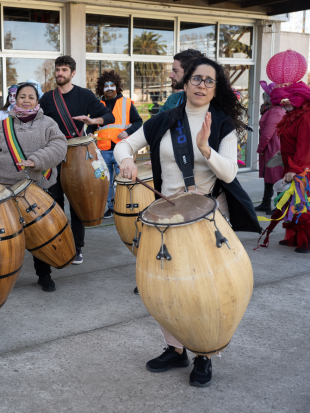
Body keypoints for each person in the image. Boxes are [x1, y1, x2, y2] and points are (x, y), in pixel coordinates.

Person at [115, 56, 260, 387]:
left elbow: (229, 172)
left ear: (216, 88)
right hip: (165, 217)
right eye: (197, 79)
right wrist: (126, 160)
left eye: (209, 81)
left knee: (203, 288)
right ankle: (175, 348)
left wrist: (205, 149)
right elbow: (125, 143)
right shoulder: (164, 119)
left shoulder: (222, 122)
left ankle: (203, 354)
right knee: (166, 286)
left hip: (206, 215)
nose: (202, 85)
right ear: (185, 82)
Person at [0, 83, 67, 292]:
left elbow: (59, 145)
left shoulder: (48, 123)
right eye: (22, 96)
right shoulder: (3, 125)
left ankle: (44, 274)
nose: (26, 100)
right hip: (6, 189)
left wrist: (36, 160)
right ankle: (4, 274)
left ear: (37, 101)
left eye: (31, 97)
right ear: (15, 99)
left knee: (40, 233)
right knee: (6, 236)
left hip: (40, 186)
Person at [38, 55, 115, 264]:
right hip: (54, 156)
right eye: (57, 69)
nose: (59, 73)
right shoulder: (46, 98)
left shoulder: (85, 95)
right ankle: (60, 243)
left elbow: (109, 116)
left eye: (64, 70)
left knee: (77, 203)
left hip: (78, 157)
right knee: (55, 203)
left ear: (72, 73)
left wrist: (93, 121)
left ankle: (77, 247)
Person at [265, 52, 310, 253]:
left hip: (302, 169)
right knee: (293, 203)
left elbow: (305, 146)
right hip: (290, 165)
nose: (282, 103)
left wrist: (296, 169)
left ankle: (306, 241)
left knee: (304, 204)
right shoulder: (292, 115)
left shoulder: (306, 117)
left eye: (285, 99)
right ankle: (294, 238)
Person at [93, 70, 143, 219]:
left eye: (112, 85)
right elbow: (92, 125)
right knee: (105, 182)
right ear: (101, 88)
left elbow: (138, 122)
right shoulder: (97, 105)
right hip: (103, 150)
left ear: (117, 87)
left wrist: (128, 133)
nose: (109, 88)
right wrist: (89, 132)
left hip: (122, 150)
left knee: (126, 179)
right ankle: (111, 207)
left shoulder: (126, 103)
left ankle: (127, 206)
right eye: (106, 85)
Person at [255, 86, 285, 214]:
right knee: (269, 176)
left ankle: (280, 206)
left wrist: (260, 148)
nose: (263, 100)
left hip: (273, 148)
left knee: (277, 176)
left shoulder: (275, 111)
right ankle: (266, 203)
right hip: (272, 147)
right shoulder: (275, 110)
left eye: (264, 97)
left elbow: (267, 133)